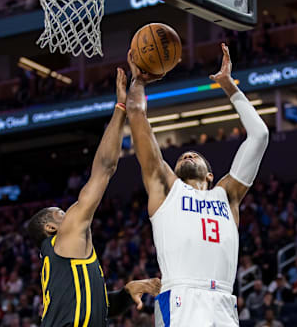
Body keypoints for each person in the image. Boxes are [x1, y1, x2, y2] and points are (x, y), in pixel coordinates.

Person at [126, 43, 269, 326]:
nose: (188, 154)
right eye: (181, 157)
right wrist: (138, 81)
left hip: (224, 300)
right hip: (182, 297)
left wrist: (230, 86)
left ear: (210, 176)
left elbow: (260, 135)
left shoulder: (227, 196)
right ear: (175, 172)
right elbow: (137, 116)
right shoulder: (167, 190)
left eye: (196, 155)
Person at [27, 69, 161, 326]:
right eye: (61, 213)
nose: (70, 213)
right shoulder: (66, 237)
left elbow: (92, 305)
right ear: (51, 227)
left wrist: (124, 295)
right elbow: (104, 169)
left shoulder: (61, 266)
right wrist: (121, 106)